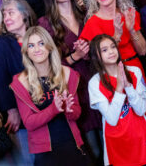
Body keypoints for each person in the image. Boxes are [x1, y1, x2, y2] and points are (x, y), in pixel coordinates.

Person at [79, 0, 146, 138]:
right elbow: (93, 59)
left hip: (134, 68)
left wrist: (131, 29)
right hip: (111, 76)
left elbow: (142, 50)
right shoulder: (92, 22)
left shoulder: (130, 13)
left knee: (144, 113)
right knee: (124, 119)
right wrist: (117, 35)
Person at [37, 0, 101, 160]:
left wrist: (91, 51)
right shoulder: (46, 23)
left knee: (111, 146)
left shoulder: (87, 13)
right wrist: (76, 56)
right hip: (75, 89)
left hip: (98, 81)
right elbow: (48, 66)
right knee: (92, 151)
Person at [10, 26, 89, 165]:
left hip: (72, 144)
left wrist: (69, 110)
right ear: (26, 51)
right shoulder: (21, 82)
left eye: (41, 43)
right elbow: (29, 123)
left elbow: (77, 113)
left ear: (49, 46)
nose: (37, 49)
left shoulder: (67, 73)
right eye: (31, 45)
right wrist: (53, 109)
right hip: (45, 153)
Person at [88, 34, 146, 166]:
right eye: (104, 50)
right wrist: (119, 89)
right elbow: (112, 119)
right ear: (96, 56)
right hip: (119, 145)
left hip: (141, 139)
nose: (111, 51)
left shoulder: (134, 71)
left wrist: (129, 87)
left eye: (113, 47)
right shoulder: (95, 82)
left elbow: (141, 110)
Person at [0, 0, 36, 165]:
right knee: (28, 160)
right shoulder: (0, 44)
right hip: (20, 114)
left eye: (10, 12)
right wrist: (11, 110)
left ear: (24, 14)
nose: (6, 17)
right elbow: (0, 80)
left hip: (45, 108)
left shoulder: (38, 36)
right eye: (4, 14)